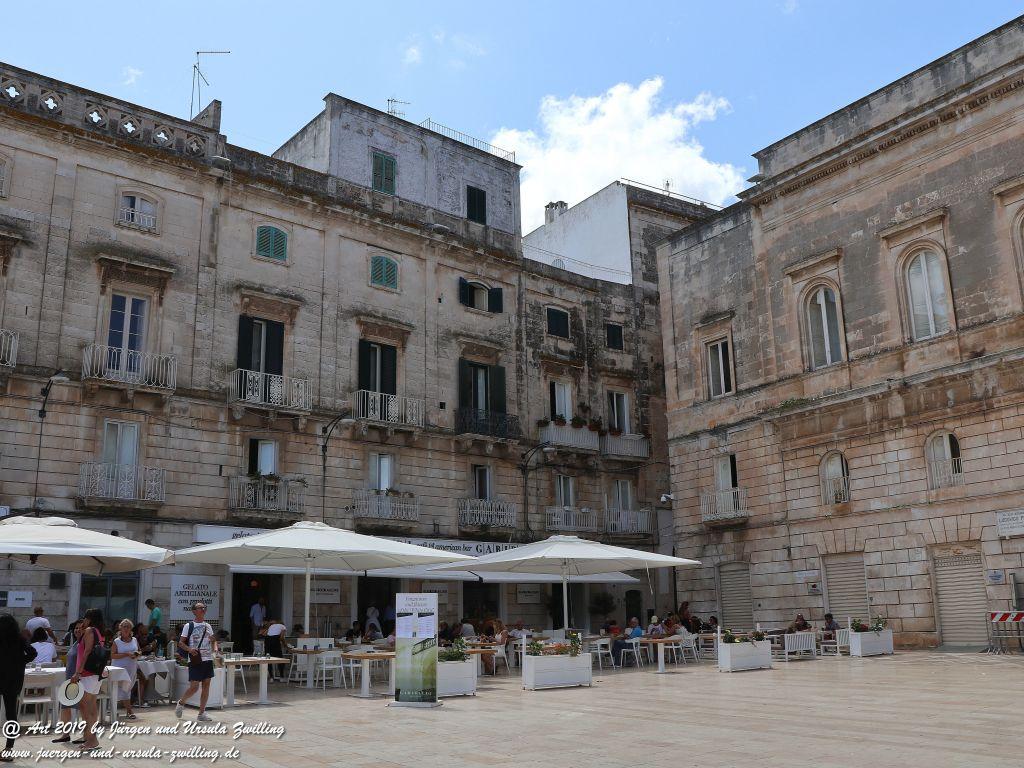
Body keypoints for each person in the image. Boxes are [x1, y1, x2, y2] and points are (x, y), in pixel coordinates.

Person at [0, 613, 36, 761]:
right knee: (11, 714)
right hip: (13, 680)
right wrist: (21, 661)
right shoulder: (20, 639)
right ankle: (9, 748)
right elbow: (33, 653)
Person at [175, 601, 218, 722]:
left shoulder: (208, 626)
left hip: (207, 659)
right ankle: (181, 702)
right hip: (195, 659)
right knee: (194, 687)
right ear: (194, 611)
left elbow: (213, 641)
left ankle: (201, 713)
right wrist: (190, 649)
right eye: (200, 608)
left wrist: (215, 650)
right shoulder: (189, 626)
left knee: (206, 686)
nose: (203, 609)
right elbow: (181, 643)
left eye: (204, 607)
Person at [70, 608, 105, 751]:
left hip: (87, 673)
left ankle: (93, 740)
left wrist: (78, 672)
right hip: (95, 673)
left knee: (86, 708)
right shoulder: (98, 632)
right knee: (91, 707)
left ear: (89, 618)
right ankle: (88, 736)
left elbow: (87, 651)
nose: (83, 620)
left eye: (85, 617)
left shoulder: (90, 630)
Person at [51, 620, 83, 744]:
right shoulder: (76, 642)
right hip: (69, 680)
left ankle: (86, 735)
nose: (77, 630)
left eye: (80, 628)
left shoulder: (84, 643)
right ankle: (65, 734)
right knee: (65, 706)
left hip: (78, 680)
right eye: (76, 628)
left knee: (83, 708)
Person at [110, 618, 140, 720]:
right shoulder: (117, 641)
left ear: (131, 629)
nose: (126, 629)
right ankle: (129, 711)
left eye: (128, 627)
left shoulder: (135, 640)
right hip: (119, 669)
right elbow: (113, 655)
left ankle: (113, 708)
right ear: (120, 628)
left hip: (131, 668)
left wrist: (136, 654)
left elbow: (139, 651)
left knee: (127, 688)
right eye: (124, 626)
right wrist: (126, 654)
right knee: (124, 689)